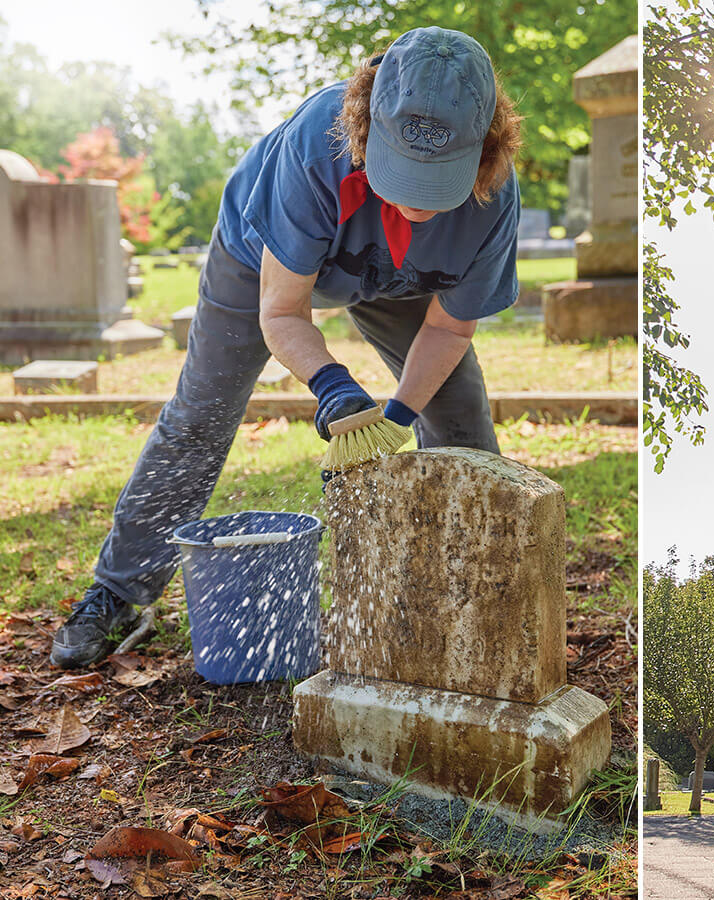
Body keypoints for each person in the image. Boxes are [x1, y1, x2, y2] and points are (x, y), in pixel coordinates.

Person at [49, 26, 524, 669]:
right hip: (263, 262)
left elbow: (449, 329)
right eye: (403, 174)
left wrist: (397, 416)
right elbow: (281, 311)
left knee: (459, 414)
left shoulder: (494, 198)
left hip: (402, 276)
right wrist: (331, 384)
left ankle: (476, 593)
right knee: (202, 413)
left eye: (437, 181)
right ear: (365, 131)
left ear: (486, 151)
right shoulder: (317, 144)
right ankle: (117, 592)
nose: (417, 201)